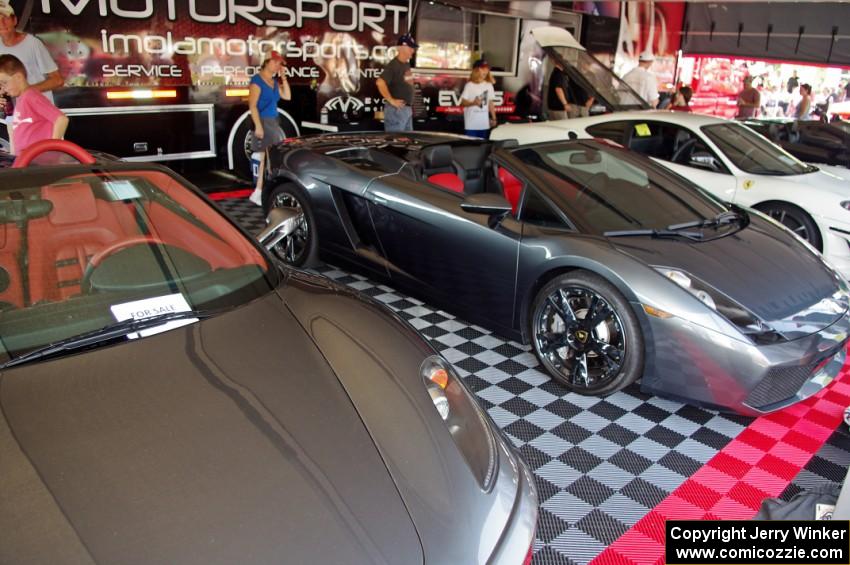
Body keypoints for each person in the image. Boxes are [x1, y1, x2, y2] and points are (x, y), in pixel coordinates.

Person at [247, 50, 291, 206]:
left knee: (269, 158)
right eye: (277, 62)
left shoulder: (273, 82)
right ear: (268, 62)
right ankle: (259, 192)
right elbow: (252, 106)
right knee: (269, 158)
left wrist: (283, 77)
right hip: (263, 122)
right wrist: (258, 126)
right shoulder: (257, 81)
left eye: (280, 63)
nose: (278, 65)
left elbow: (287, 96)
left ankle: (259, 191)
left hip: (273, 122)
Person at [0, 54, 68, 154]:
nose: (3, 89)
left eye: (4, 83)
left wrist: (52, 150)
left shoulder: (31, 96)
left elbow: (61, 119)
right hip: (26, 161)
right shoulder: (21, 100)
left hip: (39, 161)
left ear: (18, 77)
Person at [0, 1, 63, 105]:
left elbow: (57, 80)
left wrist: (26, 90)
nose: (2, 24)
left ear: (14, 20)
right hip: (15, 116)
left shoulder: (32, 43)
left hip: (39, 111)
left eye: (5, 18)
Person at [376, 33, 418, 132]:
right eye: (410, 47)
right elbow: (380, 82)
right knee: (396, 142)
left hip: (405, 109)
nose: (413, 50)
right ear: (402, 48)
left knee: (407, 141)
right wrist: (391, 100)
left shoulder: (406, 64)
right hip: (397, 110)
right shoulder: (394, 65)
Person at [459, 59, 496, 139]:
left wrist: (494, 118)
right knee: (471, 148)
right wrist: (473, 103)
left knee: (483, 148)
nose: (485, 71)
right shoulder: (469, 85)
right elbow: (462, 102)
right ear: (476, 70)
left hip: (484, 125)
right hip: (471, 125)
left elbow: (490, 103)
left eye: (486, 69)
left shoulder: (489, 85)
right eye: (482, 69)